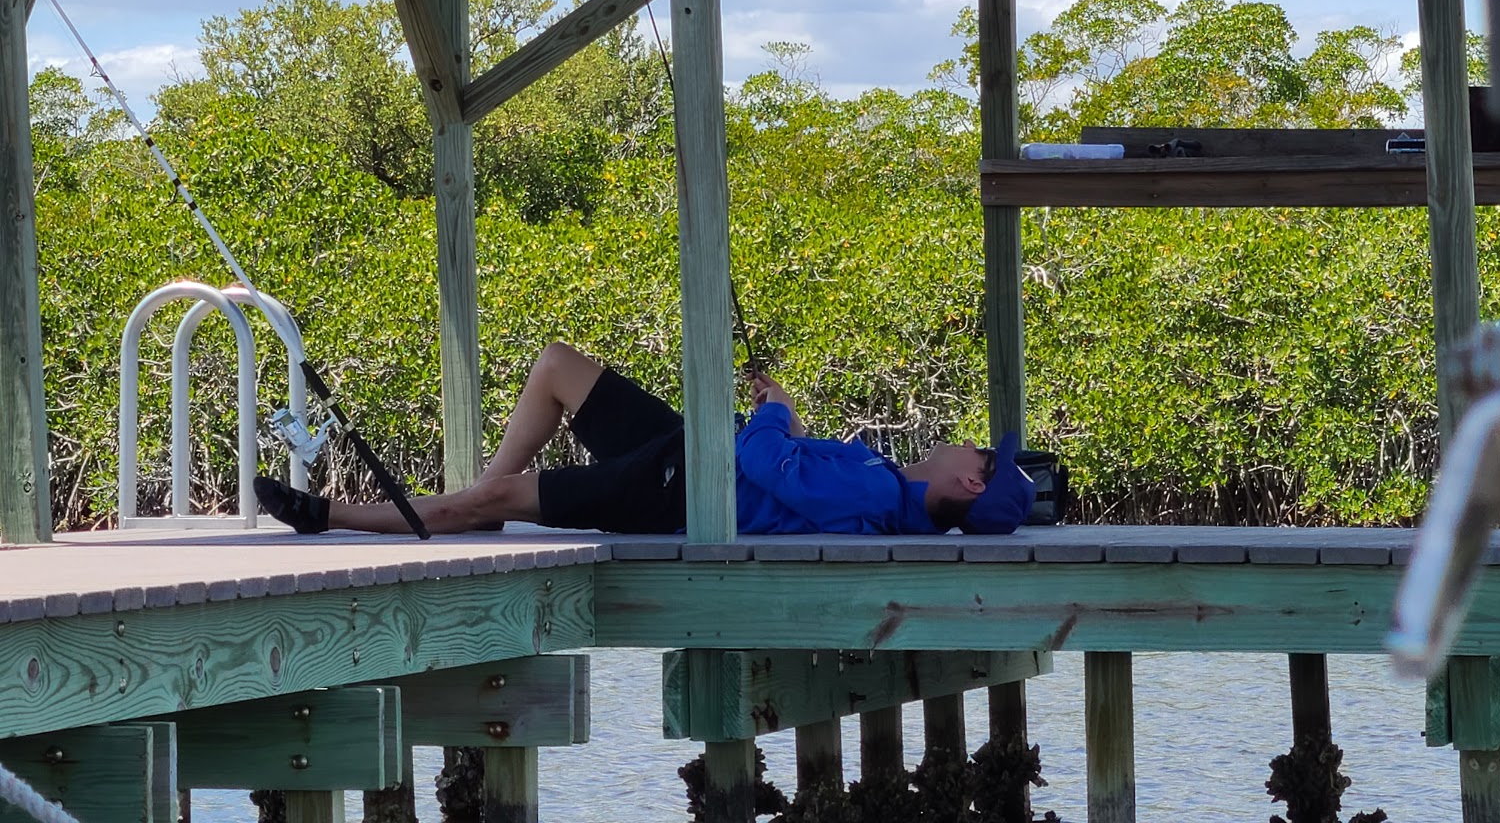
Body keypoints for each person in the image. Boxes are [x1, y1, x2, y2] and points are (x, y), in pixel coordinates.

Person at [253, 342, 1037, 537]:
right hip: (691, 453)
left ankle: (333, 517)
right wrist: (783, 421)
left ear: (970, 483)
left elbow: (763, 458)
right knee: (558, 367)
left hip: (681, 491)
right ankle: (483, 501)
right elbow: (789, 472)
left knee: (493, 498)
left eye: (984, 456)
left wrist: (778, 412)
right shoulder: (880, 480)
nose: (973, 446)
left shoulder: (877, 489)